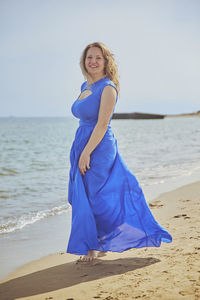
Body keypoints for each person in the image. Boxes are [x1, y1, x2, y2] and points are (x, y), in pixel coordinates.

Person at [66, 42, 172, 262]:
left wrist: (87, 153)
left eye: (98, 58)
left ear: (106, 62)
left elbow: (102, 124)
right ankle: (98, 241)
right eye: (89, 57)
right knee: (84, 193)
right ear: (83, 61)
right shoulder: (84, 87)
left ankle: (92, 247)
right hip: (82, 143)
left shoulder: (108, 88)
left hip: (99, 145)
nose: (93, 61)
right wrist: (81, 150)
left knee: (95, 195)